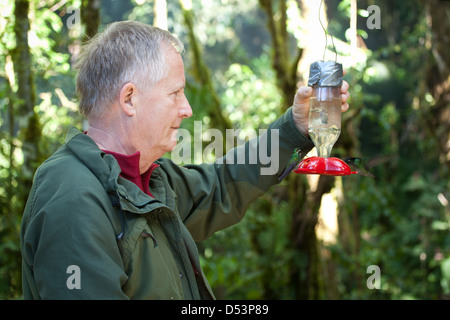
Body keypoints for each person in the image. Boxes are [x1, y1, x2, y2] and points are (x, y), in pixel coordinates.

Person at [20, 20, 350, 300]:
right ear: (130, 99)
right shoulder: (74, 200)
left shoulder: (150, 179)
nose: (187, 109)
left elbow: (224, 184)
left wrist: (294, 129)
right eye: (175, 93)